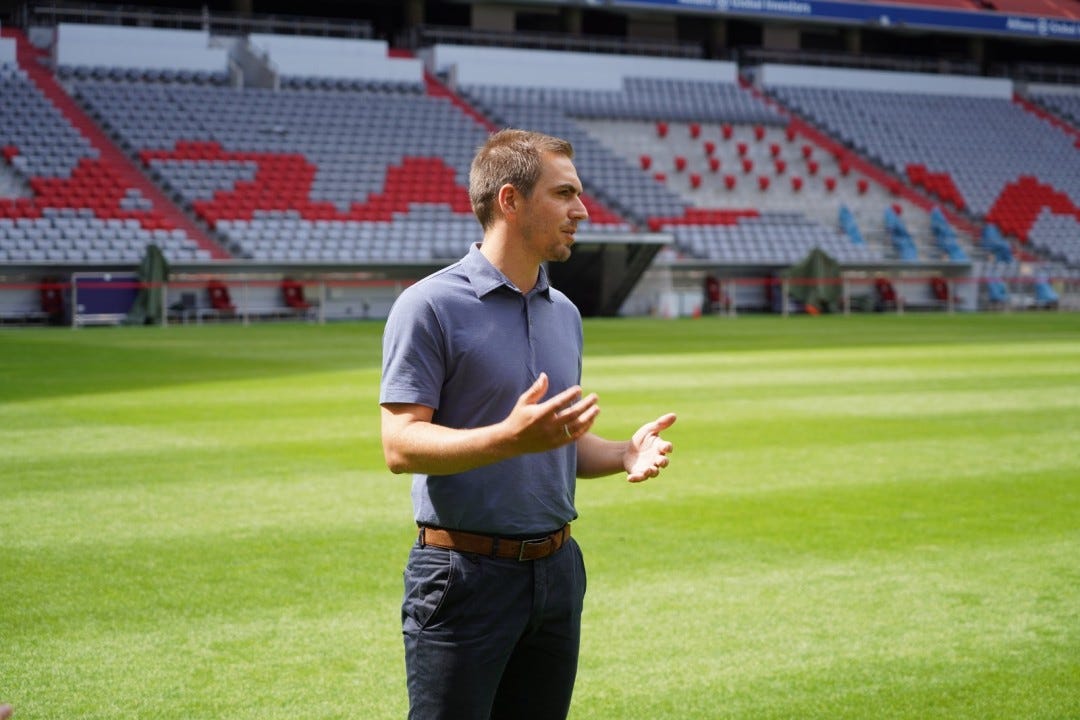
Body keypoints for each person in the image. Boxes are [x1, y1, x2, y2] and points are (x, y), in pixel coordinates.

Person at [379, 128, 677, 720]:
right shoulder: (429, 305)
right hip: (463, 578)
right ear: (510, 201)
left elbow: (558, 442)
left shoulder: (563, 312)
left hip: (557, 573)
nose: (581, 210)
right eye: (564, 193)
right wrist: (508, 438)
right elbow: (400, 443)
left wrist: (622, 453)